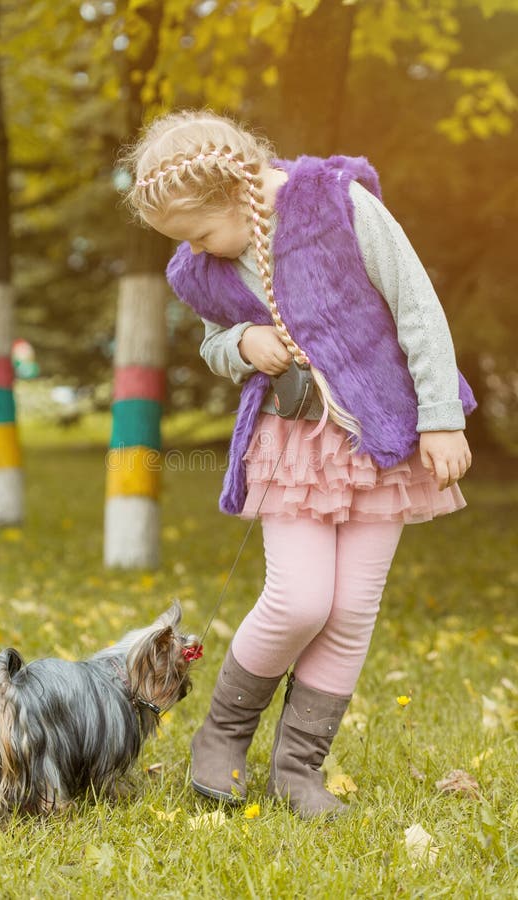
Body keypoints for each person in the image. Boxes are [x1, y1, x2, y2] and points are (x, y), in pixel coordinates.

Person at [123, 108, 476, 819]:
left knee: (350, 611)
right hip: (294, 448)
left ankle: (298, 771)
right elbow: (214, 342)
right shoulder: (206, 266)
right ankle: (221, 738)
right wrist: (244, 341)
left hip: (382, 429)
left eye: (196, 232)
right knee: (299, 598)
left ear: (230, 192)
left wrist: (440, 416)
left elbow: (417, 304)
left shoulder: (337, 203)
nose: (196, 251)